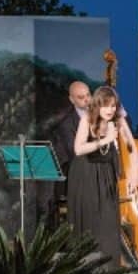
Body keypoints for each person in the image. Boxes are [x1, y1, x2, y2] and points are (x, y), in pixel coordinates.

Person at [67, 86, 138, 268]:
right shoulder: (86, 120)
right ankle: (86, 273)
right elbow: (78, 149)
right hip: (85, 175)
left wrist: (134, 176)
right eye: (106, 106)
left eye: (113, 106)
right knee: (89, 225)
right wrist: (104, 141)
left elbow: (132, 147)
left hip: (106, 175)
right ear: (97, 105)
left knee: (108, 224)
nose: (110, 110)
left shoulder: (118, 122)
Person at [40, 81, 92, 229]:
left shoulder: (101, 113)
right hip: (72, 174)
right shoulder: (66, 124)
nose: (87, 100)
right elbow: (76, 154)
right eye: (81, 97)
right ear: (72, 100)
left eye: (88, 95)